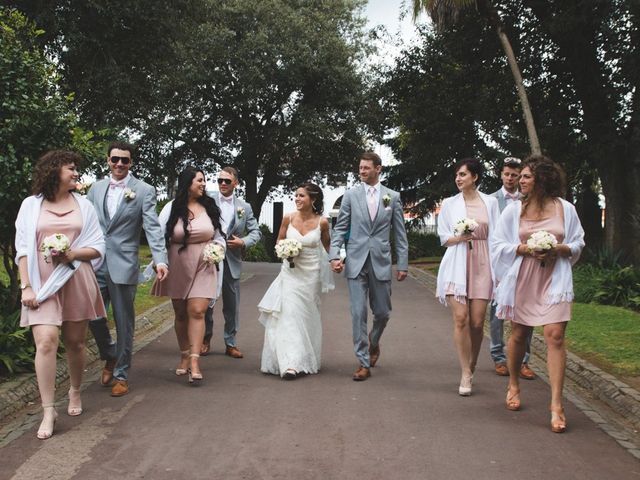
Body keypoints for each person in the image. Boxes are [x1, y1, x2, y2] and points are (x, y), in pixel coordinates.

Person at [15, 150, 106, 439]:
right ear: (54, 171)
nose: (76, 173)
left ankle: (75, 390)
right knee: (46, 342)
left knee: (76, 343)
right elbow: (23, 250)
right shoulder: (31, 206)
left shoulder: (85, 206)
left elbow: (98, 246)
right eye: (71, 168)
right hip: (41, 283)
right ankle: (48, 410)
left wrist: (71, 253)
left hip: (76, 277)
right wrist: (26, 286)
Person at [492, 155, 585, 433]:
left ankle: (556, 404)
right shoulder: (514, 211)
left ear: (542, 179)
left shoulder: (565, 209)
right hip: (524, 278)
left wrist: (559, 249)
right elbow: (498, 244)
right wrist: (524, 249)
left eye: (526, 176)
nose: (521, 180)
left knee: (555, 335)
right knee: (519, 334)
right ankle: (513, 383)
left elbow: (578, 241)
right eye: (520, 176)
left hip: (555, 278)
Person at [87, 141, 168, 397]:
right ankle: (109, 353)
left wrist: (161, 259)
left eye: (125, 160)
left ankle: (121, 373)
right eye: (115, 159)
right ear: (108, 160)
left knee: (124, 322)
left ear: (131, 162)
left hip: (124, 265)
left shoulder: (143, 190)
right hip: (95, 263)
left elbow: (152, 227)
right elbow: (86, 223)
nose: (119, 164)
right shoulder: (95, 188)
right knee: (93, 316)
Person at [330, 152, 409, 381]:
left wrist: (402, 263)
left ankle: (374, 343)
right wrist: (335, 255)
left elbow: (400, 233)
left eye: (366, 168)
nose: (362, 171)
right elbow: (340, 228)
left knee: (383, 313)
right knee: (358, 313)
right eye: (360, 167)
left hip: (381, 260)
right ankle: (363, 361)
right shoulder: (351, 196)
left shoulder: (392, 197)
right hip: (355, 260)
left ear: (378, 169)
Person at [152, 167, 225, 384]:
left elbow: (221, 236)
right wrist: (160, 262)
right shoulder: (171, 208)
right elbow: (158, 236)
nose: (203, 184)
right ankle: (184, 354)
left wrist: (218, 250)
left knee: (197, 310)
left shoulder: (210, 207)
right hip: (178, 263)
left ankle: (194, 360)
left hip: (204, 264)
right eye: (199, 181)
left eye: (204, 180)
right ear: (187, 183)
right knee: (181, 313)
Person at [436, 158, 500, 396]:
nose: (458, 178)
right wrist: (460, 236)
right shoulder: (449, 204)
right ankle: (465, 372)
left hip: (483, 261)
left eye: (463, 174)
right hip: (457, 260)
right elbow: (443, 237)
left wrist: (499, 269)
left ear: (475, 177)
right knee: (461, 318)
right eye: (457, 175)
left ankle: (472, 364)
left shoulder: (491, 202)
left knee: (476, 321)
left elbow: (496, 235)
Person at [258, 183, 333, 379]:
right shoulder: (288, 218)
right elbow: (278, 242)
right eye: (296, 196)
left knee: (306, 316)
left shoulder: (322, 223)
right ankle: (290, 364)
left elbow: (328, 247)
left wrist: (338, 261)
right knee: (289, 316)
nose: (297, 199)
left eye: (301, 196)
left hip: (311, 276)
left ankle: (304, 357)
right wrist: (285, 251)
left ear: (313, 199)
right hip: (290, 274)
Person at [201, 166, 261, 358]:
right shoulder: (206, 200)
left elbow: (256, 233)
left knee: (231, 305)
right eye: (220, 180)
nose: (223, 184)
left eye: (227, 181)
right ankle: (205, 338)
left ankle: (231, 342)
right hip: (208, 258)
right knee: (206, 302)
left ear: (236, 183)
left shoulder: (244, 207)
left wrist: (243, 242)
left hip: (231, 261)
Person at [489, 157, 536, 380]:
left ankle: (524, 360)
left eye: (515, 175)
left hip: (523, 260)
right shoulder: (491, 201)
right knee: (497, 312)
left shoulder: (530, 201)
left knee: (526, 311)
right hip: (499, 261)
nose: (510, 178)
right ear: (501, 174)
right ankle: (498, 357)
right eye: (506, 174)